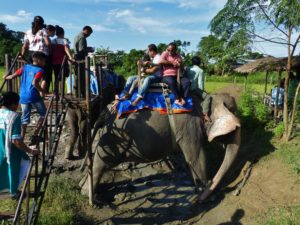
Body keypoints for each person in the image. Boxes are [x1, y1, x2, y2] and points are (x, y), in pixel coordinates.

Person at [0, 92, 40, 196]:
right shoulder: (14, 116)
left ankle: (7, 189)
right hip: (9, 150)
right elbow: (16, 141)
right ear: (13, 104)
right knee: (25, 161)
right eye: (17, 103)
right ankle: (13, 191)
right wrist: (31, 150)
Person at [5, 52, 47, 146]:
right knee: (44, 114)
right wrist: (42, 90)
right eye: (44, 61)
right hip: (34, 96)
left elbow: (13, 76)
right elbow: (34, 82)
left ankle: (21, 139)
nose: (45, 63)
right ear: (39, 60)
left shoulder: (25, 67)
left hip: (23, 96)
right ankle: (35, 135)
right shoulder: (40, 70)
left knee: (25, 118)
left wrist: (6, 77)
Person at [21, 16, 52, 93]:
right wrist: (49, 51)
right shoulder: (43, 31)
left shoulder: (27, 32)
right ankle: (42, 94)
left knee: (31, 75)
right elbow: (48, 43)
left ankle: (31, 92)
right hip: (41, 55)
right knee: (46, 76)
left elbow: (25, 46)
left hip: (31, 54)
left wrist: (22, 56)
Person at [185, 56, 212, 122]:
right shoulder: (200, 70)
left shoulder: (188, 68)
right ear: (199, 63)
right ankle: (205, 114)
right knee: (208, 97)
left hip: (186, 88)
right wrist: (202, 91)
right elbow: (200, 83)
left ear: (192, 62)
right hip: (194, 89)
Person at [51, 25, 74, 96]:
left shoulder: (53, 41)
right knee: (62, 78)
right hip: (62, 61)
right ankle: (62, 93)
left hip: (54, 62)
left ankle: (56, 93)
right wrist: (70, 57)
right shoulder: (64, 40)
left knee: (56, 77)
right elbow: (66, 49)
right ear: (63, 33)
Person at [73, 25, 94, 98]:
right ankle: (81, 94)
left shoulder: (77, 36)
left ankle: (77, 94)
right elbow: (81, 50)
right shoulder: (82, 37)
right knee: (81, 77)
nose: (89, 35)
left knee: (77, 77)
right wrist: (90, 49)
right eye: (89, 33)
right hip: (80, 59)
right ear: (86, 30)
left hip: (77, 58)